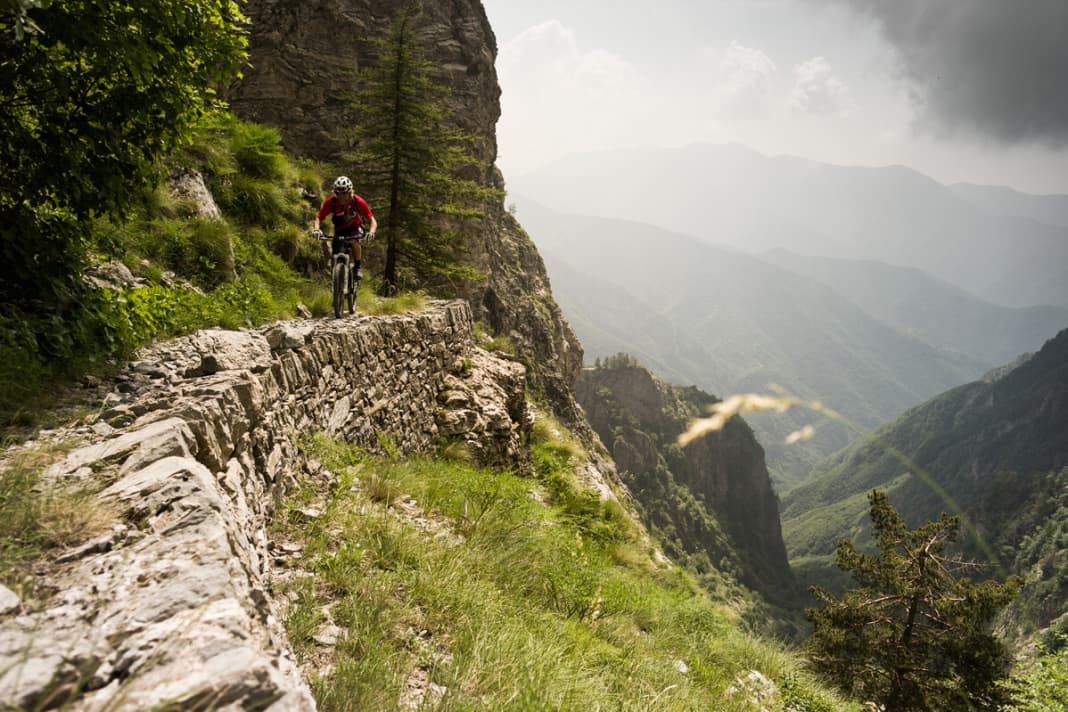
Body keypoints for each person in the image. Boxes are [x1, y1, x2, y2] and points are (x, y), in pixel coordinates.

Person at [312, 176, 378, 281]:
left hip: (355, 227)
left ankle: (357, 268)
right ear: (335, 193)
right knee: (335, 253)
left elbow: (372, 220)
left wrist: (371, 232)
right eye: (338, 193)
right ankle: (336, 282)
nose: (341, 196)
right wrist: (316, 229)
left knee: (354, 242)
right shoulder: (331, 202)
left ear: (350, 192)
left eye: (344, 193)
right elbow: (319, 217)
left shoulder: (358, 202)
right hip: (340, 229)